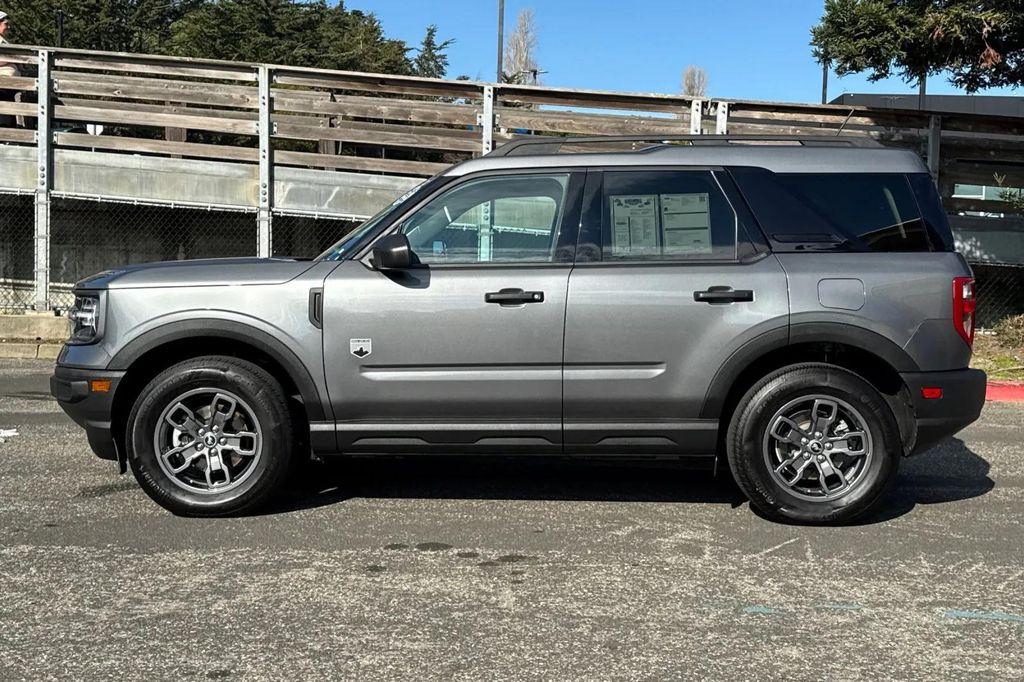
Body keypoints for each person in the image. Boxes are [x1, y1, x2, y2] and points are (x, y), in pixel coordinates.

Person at [0, 10, 20, 128]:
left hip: (9, 84)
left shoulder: (4, 41)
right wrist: (13, 59)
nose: (8, 27)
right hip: (4, 83)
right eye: (6, 24)